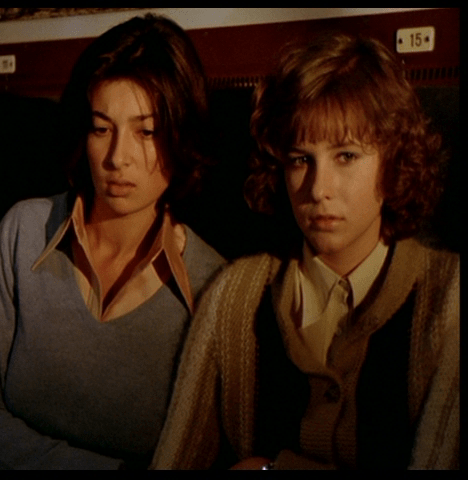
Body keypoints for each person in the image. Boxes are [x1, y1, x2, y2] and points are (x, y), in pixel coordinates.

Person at [151, 33, 459, 470]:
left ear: (393, 161)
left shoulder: (449, 300)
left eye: (346, 156)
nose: (318, 189)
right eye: (300, 160)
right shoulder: (233, 297)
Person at [0, 14, 225, 470]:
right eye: (102, 128)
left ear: (181, 136)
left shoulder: (216, 289)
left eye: (147, 132)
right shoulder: (23, 232)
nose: (118, 158)